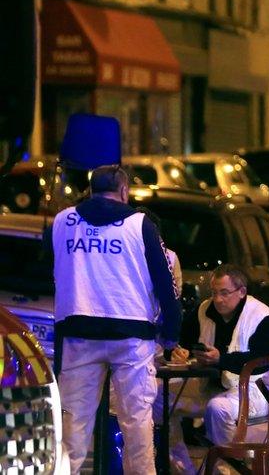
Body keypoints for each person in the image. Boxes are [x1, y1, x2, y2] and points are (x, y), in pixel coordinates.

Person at [51, 164, 181, 474]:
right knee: (136, 422)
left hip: (79, 332)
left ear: (91, 191)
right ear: (124, 191)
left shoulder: (62, 221)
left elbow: (51, 265)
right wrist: (171, 333)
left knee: (74, 423)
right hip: (131, 335)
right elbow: (165, 282)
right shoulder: (140, 225)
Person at [154, 264, 269, 474]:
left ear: (241, 292)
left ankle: (230, 470)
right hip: (211, 386)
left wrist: (220, 359)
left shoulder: (262, 318)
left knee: (218, 408)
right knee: (158, 396)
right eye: (214, 293)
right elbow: (181, 340)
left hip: (255, 391)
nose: (218, 299)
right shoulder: (205, 310)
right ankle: (184, 469)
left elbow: (262, 361)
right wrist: (177, 352)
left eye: (224, 293)